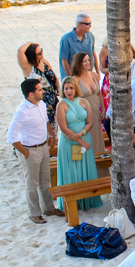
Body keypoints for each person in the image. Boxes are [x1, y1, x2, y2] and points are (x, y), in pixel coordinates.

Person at [6, 78, 63, 224]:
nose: (43, 91)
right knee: (32, 183)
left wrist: (50, 135)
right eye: (39, 89)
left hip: (43, 146)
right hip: (30, 149)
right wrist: (25, 153)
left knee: (45, 181)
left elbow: (45, 121)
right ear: (31, 94)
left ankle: (48, 208)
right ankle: (34, 213)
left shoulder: (41, 104)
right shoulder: (22, 112)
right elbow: (11, 135)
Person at [54, 78, 101, 211]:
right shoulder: (61, 105)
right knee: (71, 168)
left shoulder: (84, 102)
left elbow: (90, 122)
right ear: (63, 90)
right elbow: (63, 127)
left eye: (71, 88)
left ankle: (88, 199)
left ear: (76, 89)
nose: (69, 91)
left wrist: (80, 134)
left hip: (84, 137)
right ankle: (73, 202)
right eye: (66, 88)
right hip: (69, 141)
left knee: (85, 167)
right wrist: (80, 141)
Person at [16, 42, 59, 134]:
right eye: (39, 53)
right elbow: (20, 51)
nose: (42, 54)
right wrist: (30, 43)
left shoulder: (44, 62)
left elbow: (53, 76)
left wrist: (58, 88)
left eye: (41, 51)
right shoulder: (27, 67)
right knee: (41, 127)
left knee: (53, 128)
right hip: (39, 100)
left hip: (52, 99)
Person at [71, 52, 106, 157]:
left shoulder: (94, 75)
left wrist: (103, 109)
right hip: (83, 115)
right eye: (84, 61)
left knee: (97, 138)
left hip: (96, 113)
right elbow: (71, 100)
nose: (87, 63)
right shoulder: (75, 79)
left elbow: (99, 93)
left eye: (89, 60)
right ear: (79, 63)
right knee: (86, 137)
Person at [59, 13, 98, 78]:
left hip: (87, 76)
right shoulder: (66, 39)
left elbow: (93, 54)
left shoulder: (90, 36)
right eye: (87, 24)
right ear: (79, 25)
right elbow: (64, 61)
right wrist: (71, 78)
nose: (90, 25)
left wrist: (97, 73)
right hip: (73, 76)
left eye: (90, 23)